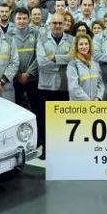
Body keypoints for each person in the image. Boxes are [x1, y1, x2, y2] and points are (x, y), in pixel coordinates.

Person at [36, 13, 74, 157]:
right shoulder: (42, 40)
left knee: (63, 121)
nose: (57, 26)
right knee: (45, 119)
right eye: (54, 23)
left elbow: (73, 59)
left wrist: (54, 58)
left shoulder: (72, 40)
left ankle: (61, 149)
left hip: (64, 86)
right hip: (45, 86)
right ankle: (45, 147)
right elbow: (41, 62)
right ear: (49, 25)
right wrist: (63, 62)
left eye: (60, 23)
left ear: (64, 24)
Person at [11, 7, 40, 114]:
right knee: (16, 110)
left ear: (29, 19)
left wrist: (28, 73)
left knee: (36, 108)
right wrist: (18, 74)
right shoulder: (8, 35)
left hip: (32, 79)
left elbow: (39, 56)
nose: (22, 21)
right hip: (15, 79)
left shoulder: (36, 33)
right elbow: (8, 58)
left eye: (24, 18)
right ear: (14, 19)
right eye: (19, 18)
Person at [67, 34, 105, 101]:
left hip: (94, 104)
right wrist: (88, 101)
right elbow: (73, 88)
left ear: (90, 45)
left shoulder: (95, 63)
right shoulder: (73, 64)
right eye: (81, 44)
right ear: (76, 47)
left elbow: (100, 83)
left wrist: (98, 97)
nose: (84, 46)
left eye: (86, 44)